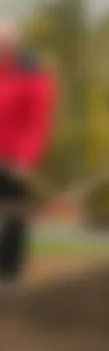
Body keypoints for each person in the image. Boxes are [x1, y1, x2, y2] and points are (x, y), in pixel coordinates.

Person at [0, 21, 56, 292]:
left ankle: (9, 272)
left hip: (13, 160)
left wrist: (26, 158)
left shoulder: (34, 74)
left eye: (5, 42)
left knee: (14, 215)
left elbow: (37, 122)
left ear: (15, 44)